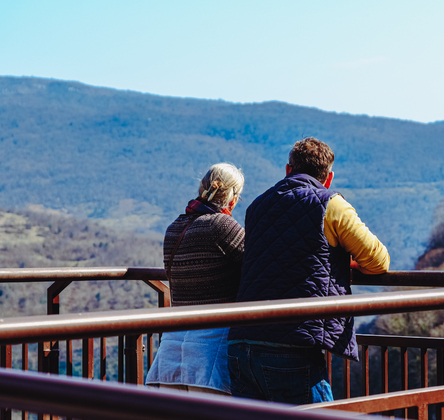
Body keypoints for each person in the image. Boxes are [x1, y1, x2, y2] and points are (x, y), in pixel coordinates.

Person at [227, 137, 390, 404]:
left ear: (288, 169)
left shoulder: (257, 205)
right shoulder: (330, 204)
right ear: (328, 178)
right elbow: (378, 261)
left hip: (240, 343)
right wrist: (341, 260)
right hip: (293, 345)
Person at [146, 163, 245, 395]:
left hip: (172, 347)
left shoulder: (174, 227)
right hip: (211, 348)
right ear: (232, 199)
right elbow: (258, 266)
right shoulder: (223, 227)